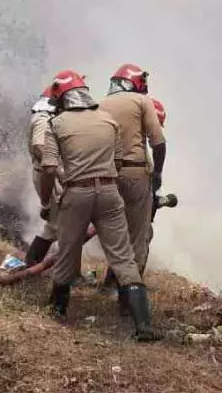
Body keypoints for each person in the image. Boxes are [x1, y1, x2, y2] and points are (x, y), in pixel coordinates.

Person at [39, 69, 158, 341]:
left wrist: (47, 201)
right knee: (123, 255)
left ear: (62, 97)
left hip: (76, 194)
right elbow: (117, 162)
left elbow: (48, 168)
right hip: (109, 193)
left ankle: (58, 310)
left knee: (68, 250)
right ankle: (144, 326)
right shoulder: (108, 120)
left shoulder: (56, 125)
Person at [98, 64, 166, 312]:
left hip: (105, 176)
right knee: (139, 237)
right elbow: (159, 143)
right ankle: (128, 304)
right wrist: (157, 175)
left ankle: (108, 283)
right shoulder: (141, 101)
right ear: (136, 82)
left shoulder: (100, 104)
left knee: (116, 234)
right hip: (135, 175)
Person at [23, 86, 60, 266]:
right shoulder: (43, 119)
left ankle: (31, 263)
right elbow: (39, 146)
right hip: (47, 174)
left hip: (49, 174)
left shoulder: (47, 117)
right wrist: (57, 166)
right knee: (59, 225)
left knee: (54, 225)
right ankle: (66, 271)